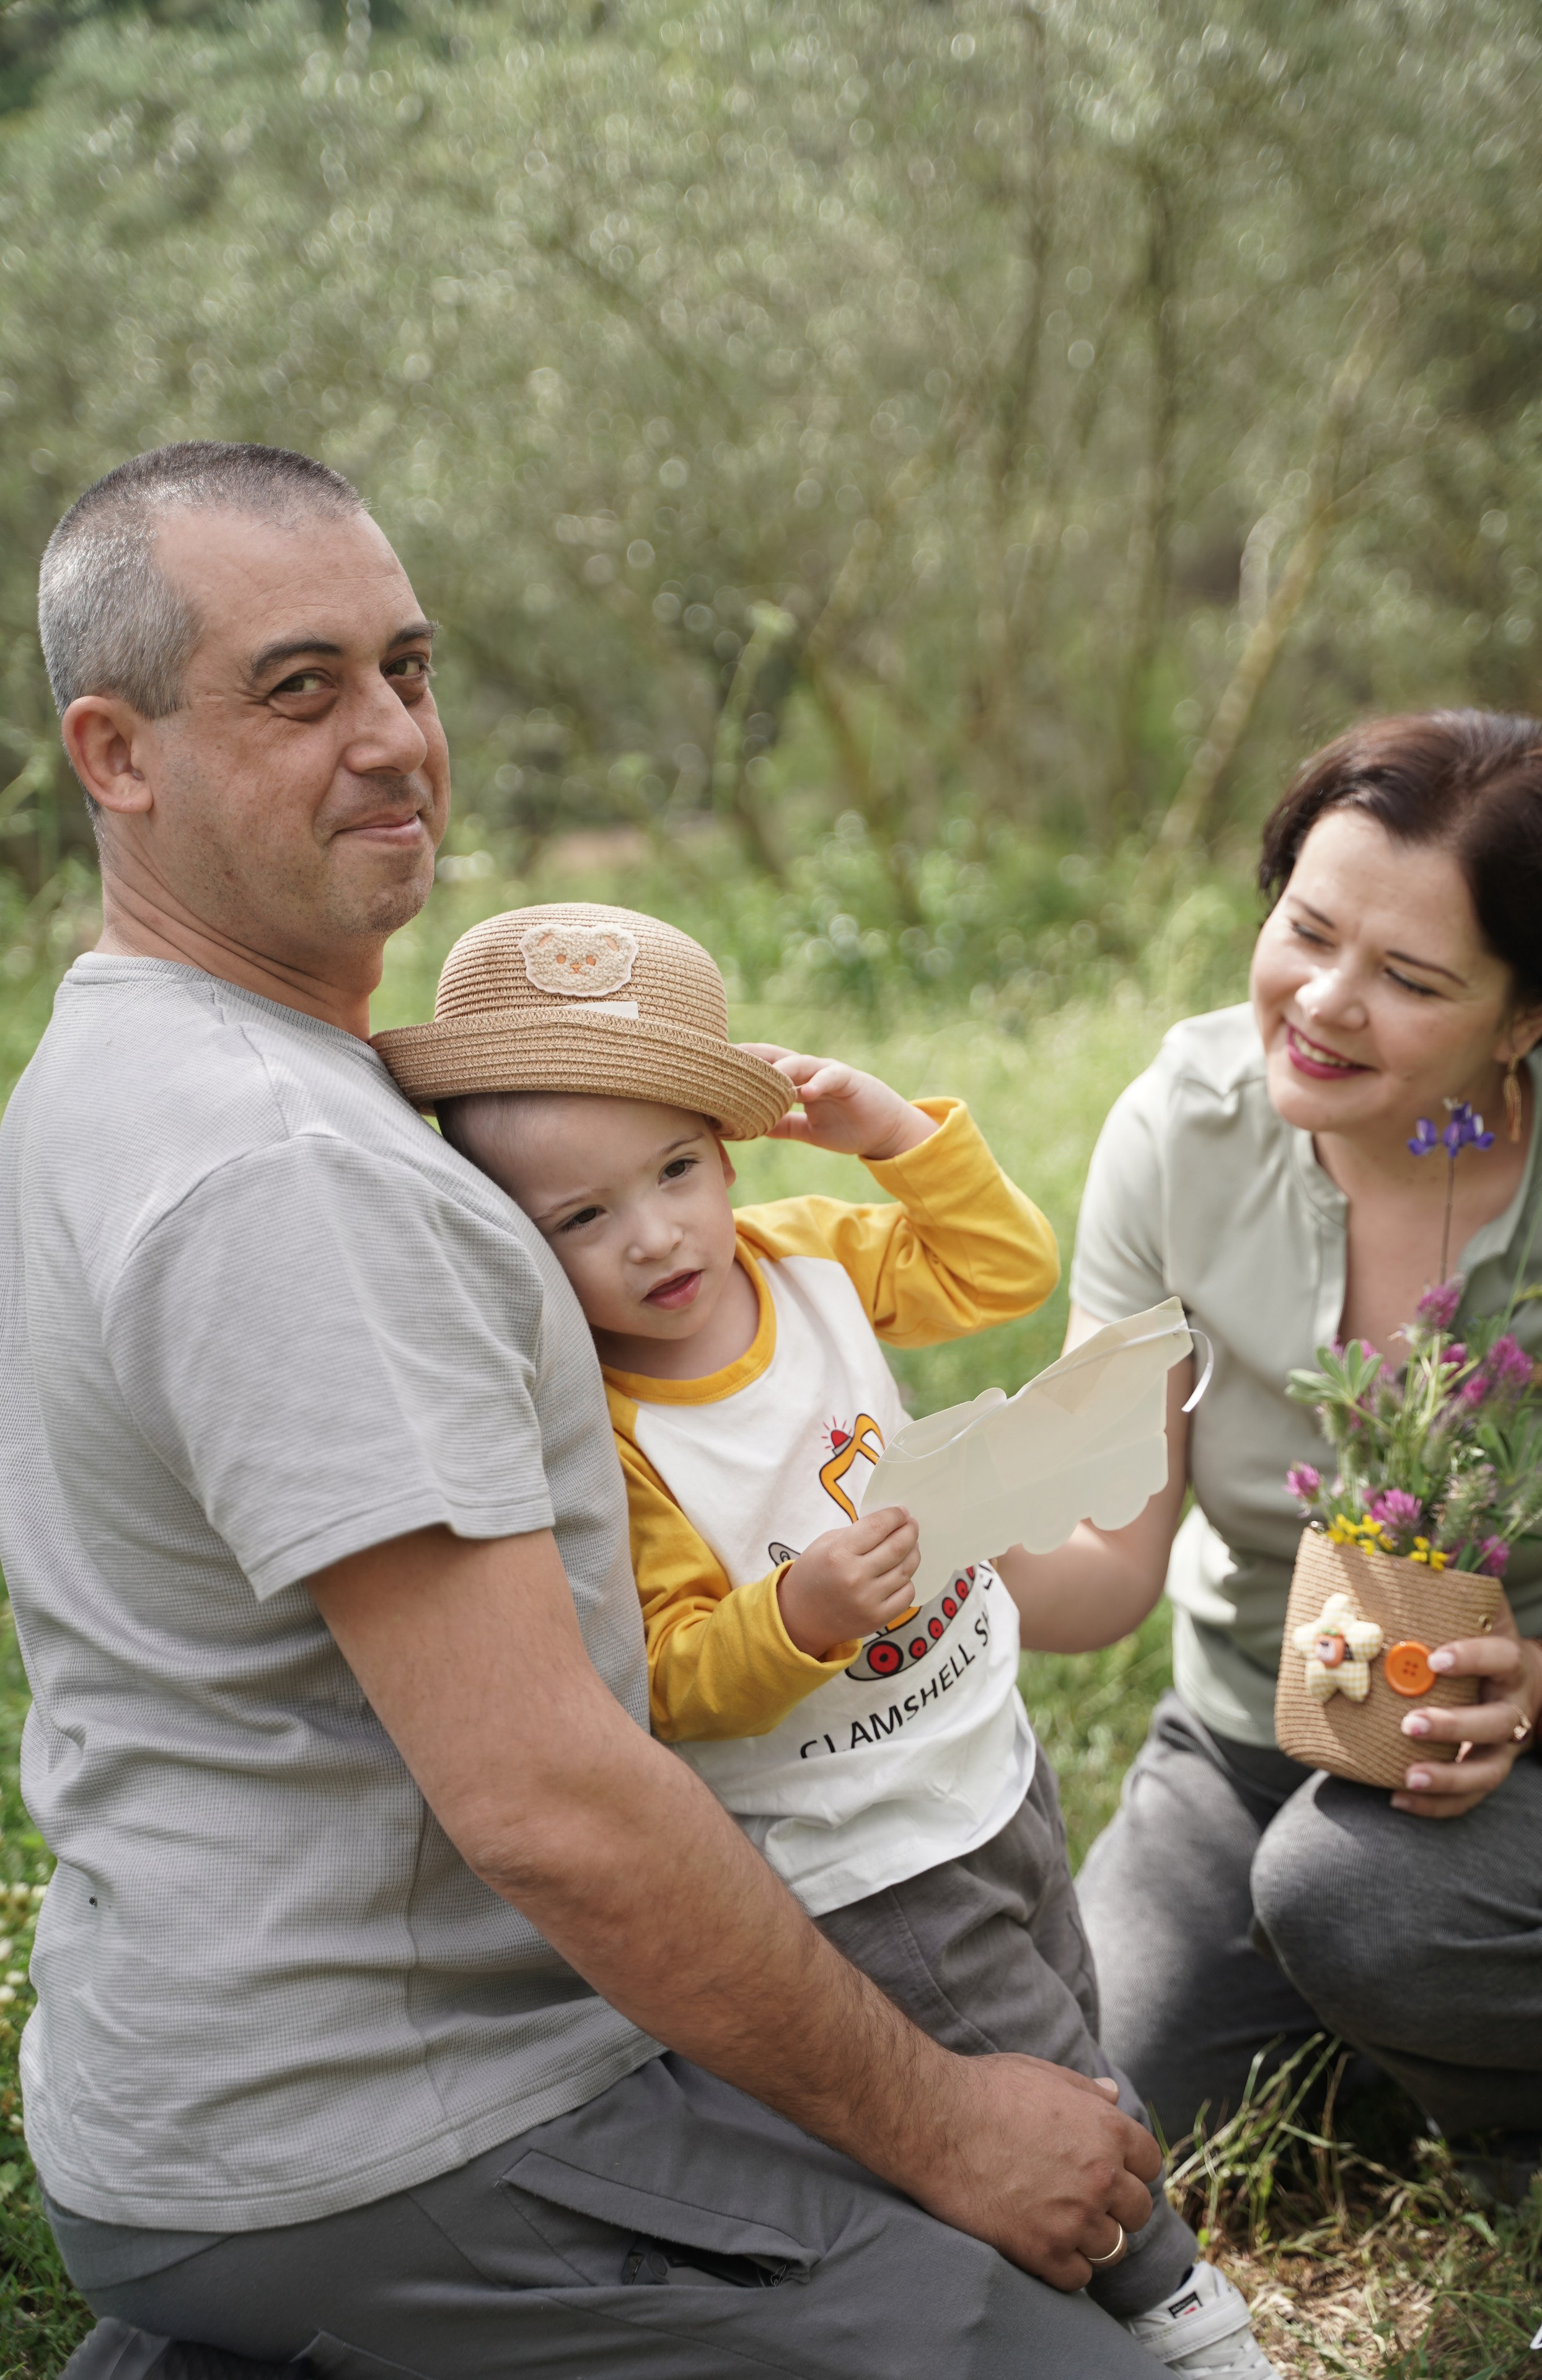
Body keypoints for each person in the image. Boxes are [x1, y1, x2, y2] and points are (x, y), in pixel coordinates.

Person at [0, 440, 1172, 2378]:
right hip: (403, 2119)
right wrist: (949, 2125)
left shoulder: (147, 1064)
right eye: (302, 690)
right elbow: (551, 1804)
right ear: (115, 756)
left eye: (410, 667)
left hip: (237, 2088)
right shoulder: (283, 1170)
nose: (394, 740)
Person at [376, 901, 1266, 2370]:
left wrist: (887, 1132)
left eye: (673, 1172)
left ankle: (1042, 2266)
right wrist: (798, 1615)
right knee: (1023, 2065)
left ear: (730, 1155)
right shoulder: (607, 1421)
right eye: (578, 1220)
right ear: (512, 1249)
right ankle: (1173, 2306)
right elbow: (664, 1674)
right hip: (853, 1840)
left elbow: (998, 1270)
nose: (653, 1235)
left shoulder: (807, 1258)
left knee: (1062, 2004)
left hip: (981, 1754)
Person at [1002, 712, 1542, 2182]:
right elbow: (1100, 1565)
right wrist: (932, 1532)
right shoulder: (1178, 1135)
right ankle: (1424, 2015)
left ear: (1528, 1015)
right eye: (1304, 930)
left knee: (1347, 1897)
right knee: (1114, 2108)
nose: (1319, 1004)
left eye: (1407, 978)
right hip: (1256, 1741)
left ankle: (1496, 2085)